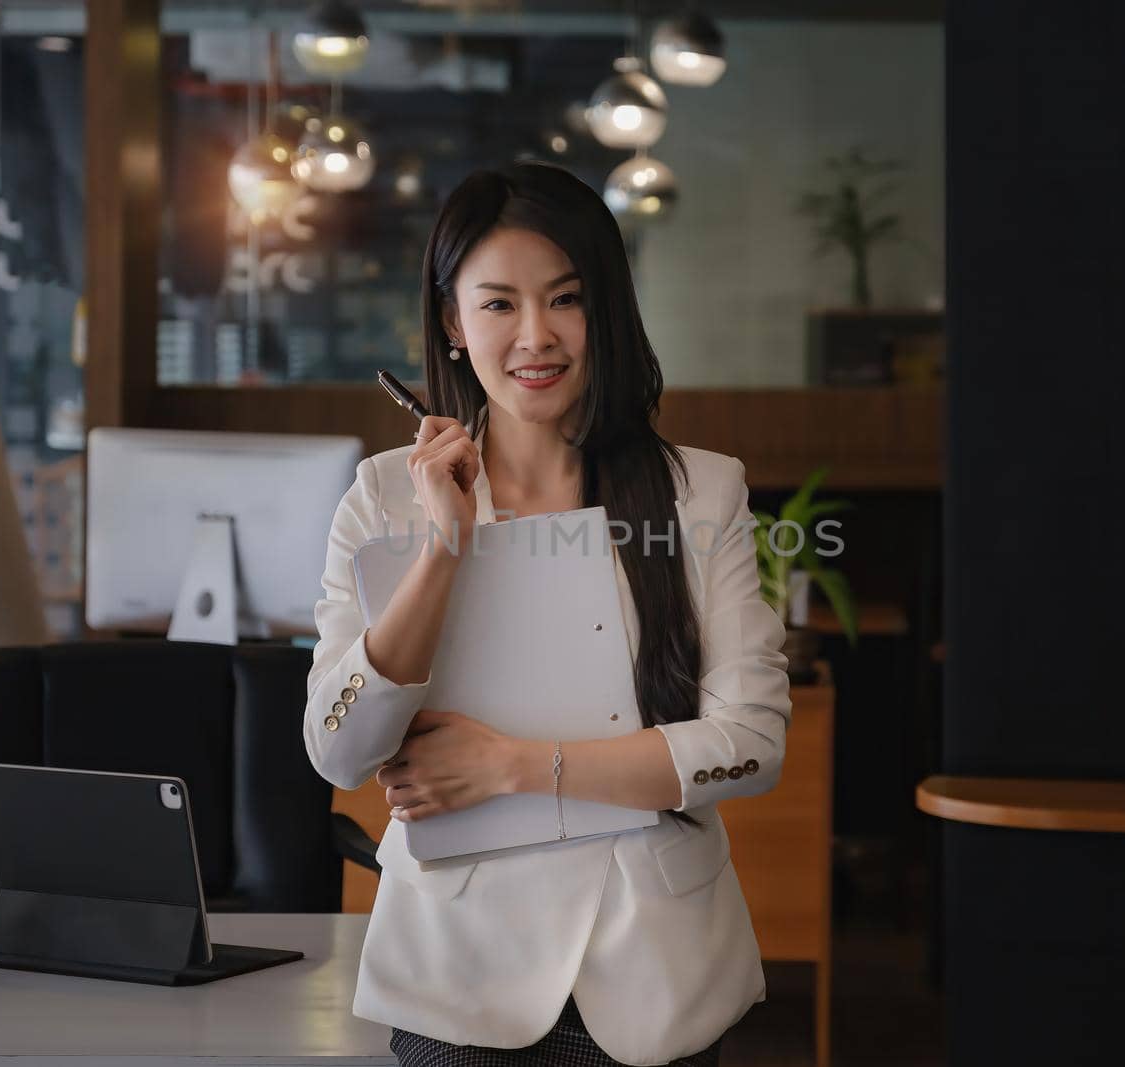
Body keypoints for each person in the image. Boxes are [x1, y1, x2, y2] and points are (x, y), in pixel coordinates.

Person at [303, 161, 793, 1067]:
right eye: (498, 305)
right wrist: (444, 549)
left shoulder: (701, 493)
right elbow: (337, 746)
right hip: (460, 978)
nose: (536, 335)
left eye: (565, 299)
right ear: (454, 322)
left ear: (603, 308)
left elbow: (753, 743)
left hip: (657, 979)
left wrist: (514, 767)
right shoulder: (383, 498)